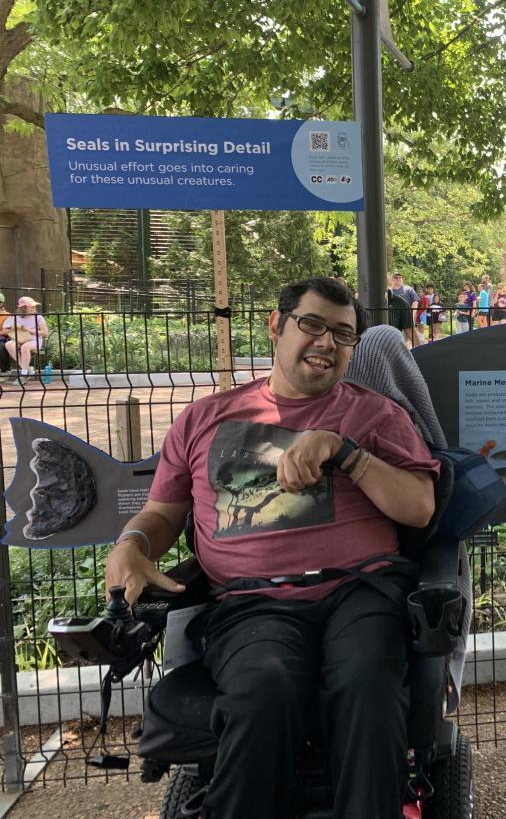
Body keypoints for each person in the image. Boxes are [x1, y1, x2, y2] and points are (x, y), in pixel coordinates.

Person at [103, 277, 440, 819]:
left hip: (361, 587)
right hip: (249, 601)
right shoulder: (205, 419)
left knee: (366, 682)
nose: (328, 343)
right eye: (312, 325)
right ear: (277, 325)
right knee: (264, 686)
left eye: (344, 334)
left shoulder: (374, 414)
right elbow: (164, 513)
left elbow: (419, 506)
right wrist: (132, 544)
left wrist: (346, 453)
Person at [2, 296, 49, 377]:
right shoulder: (15, 317)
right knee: (8, 344)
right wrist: (14, 328)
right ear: (24, 308)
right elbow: (5, 330)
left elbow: (45, 333)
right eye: (32, 306)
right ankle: (24, 367)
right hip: (20, 339)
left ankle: (24, 373)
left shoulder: (38, 317)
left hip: (34, 341)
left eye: (34, 306)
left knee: (25, 347)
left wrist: (29, 330)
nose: (34, 307)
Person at [387, 272, 419, 348]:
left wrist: (413, 313)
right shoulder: (361, 301)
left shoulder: (408, 290)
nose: (398, 279)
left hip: (405, 315)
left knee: (405, 340)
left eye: (399, 277)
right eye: (396, 277)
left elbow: (415, 301)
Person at [0, 292, 11, 373]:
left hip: (3, 338)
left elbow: (6, 331)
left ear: (2, 303)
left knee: (1, 346)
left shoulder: (7, 315)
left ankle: (5, 370)